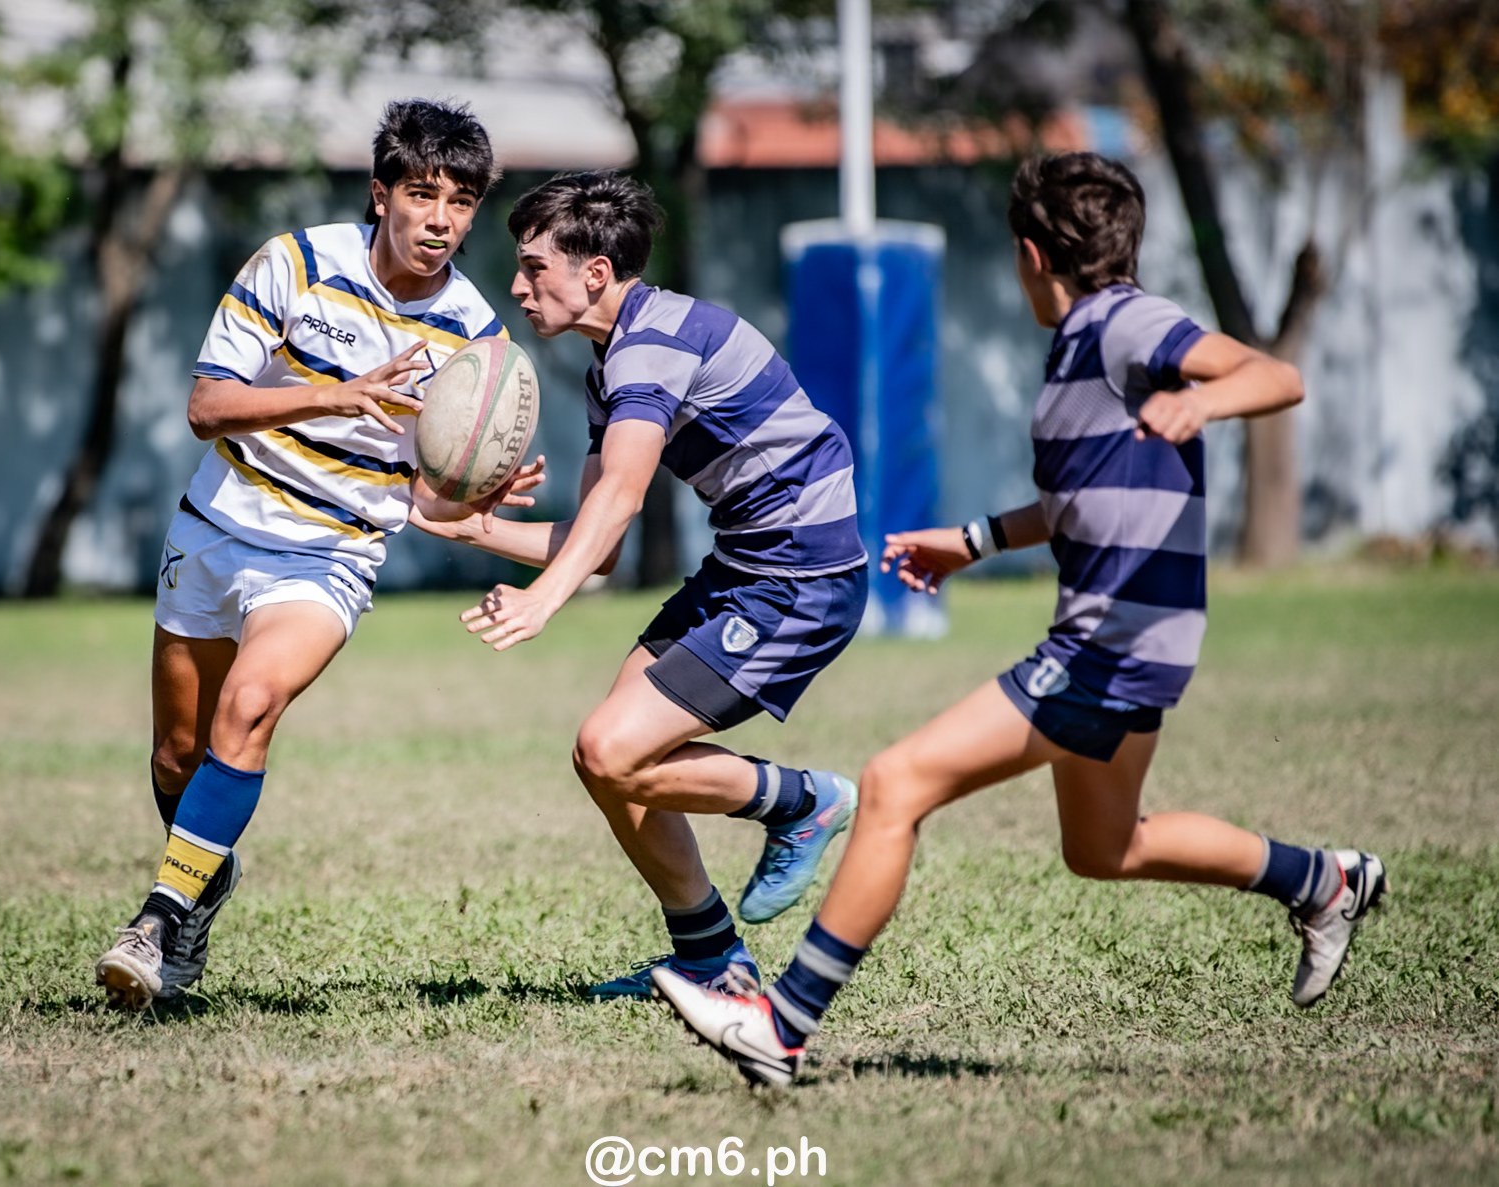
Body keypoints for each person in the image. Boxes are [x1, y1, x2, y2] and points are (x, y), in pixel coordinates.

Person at [653, 151, 1388, 1086]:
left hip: (1107, 642)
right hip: (1145, 642)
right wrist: (975, 537)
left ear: (1031, 255)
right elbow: (1085, 497)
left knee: (893, 783)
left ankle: (783, 1027)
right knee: (1105, 847)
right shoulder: (1086, 347)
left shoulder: (1124, 321)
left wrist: (1200, 397)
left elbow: (1273, 375)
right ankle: (1323, 881)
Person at [94, 98, 543, 1011]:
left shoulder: (476, 337)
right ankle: (204, 879)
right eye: (423, 193)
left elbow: (421, 498)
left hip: (331, 555)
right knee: (180, 755)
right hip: (218, 525)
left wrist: (474, 494)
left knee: (250, 707)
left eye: (462, 201)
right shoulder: (294, 264)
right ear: (382, 196)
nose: (442, 218)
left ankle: (158, 915)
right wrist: (334, 396)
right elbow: (208, 406)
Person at [410, 170, 868, 1001]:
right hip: (748, 564)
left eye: (533, 265)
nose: (517, 285)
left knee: (610, 747)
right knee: (606, 760)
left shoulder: (653, 343)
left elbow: (620, 498)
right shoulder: (608, 364)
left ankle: (804, 800)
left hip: (803, 572)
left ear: (594, 272)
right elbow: (601, 540)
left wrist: (542, 600)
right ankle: (711, 961)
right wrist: (462, 522)